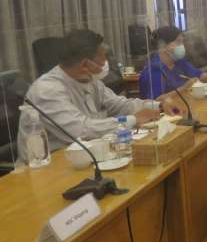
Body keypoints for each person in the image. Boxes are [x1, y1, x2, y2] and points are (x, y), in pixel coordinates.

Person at [22, 29, 165, 155]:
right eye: (103, 58)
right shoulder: (47, 90)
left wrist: (159, 106)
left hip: (89, 155)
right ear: (85, 64)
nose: (106, 62)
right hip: (51, 168)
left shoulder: (90, 81)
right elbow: (82, 130)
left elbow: (119, 105)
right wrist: (134, 119)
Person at [138, 27, 207, 99]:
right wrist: (184, 88)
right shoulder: (153, 70)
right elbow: (157, 100)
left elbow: (199, 75)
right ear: (163, 46)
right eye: (178, 42)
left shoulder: (179, 62)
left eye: (182, 42)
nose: (182, 46)